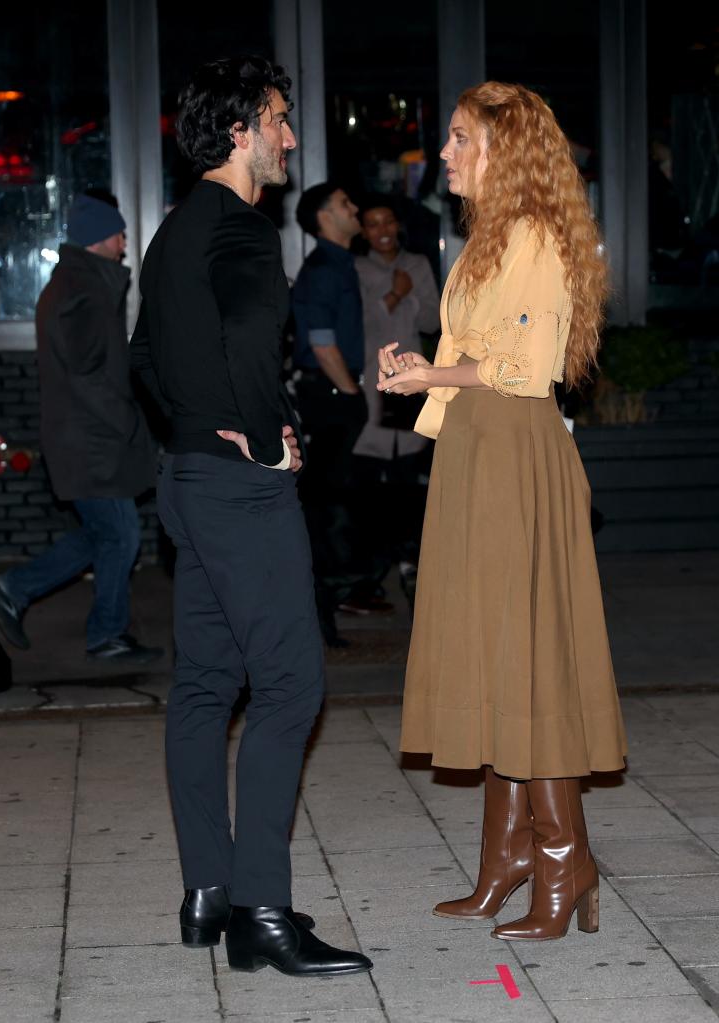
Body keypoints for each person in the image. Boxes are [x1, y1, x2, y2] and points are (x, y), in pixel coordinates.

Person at [129, 56, 371, 978]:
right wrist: (269, 438)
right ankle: (262, 913)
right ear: (237, 130)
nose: (289, 138)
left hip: (188, 479)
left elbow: (145, 357)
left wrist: (200, 428)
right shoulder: (240, 230)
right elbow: (242, 346)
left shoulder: (172, 232)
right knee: (289, 687)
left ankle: (208, 891)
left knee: (202, 687)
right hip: (238, 488)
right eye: (277, 119)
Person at [377, 82, 627, 941]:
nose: (442, 153)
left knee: (526, 657)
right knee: (492, 654)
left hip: (515, 453)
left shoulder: (535, 238)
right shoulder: (485, 237)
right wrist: (421, 366)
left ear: (502, 151)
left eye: (456, 139)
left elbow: (526, 369)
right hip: (476, 453)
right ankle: (506, 857)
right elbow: (477, 351)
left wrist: (427, 376)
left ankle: (564, 862)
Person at [0, 193, 161, 664]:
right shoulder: (83, 288)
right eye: (121, 233)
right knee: (120, 536)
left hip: (88, 438)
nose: (126, 243)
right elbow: (89, 374)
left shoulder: (79, 283)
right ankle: (98, 629)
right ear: (101, 238)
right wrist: (127, 422)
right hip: (93, 441)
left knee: (107, 535)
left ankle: (18, 591)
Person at [292, 183, 389, 641]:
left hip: (338, 394)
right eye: (346, 203)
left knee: (344, 505)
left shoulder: (342, 265)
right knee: (330, 509)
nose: (355, 207)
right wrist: (351, 396)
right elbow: (321, 343)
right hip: (331, 399)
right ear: (324, 218)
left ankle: (340, 597)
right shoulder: (322, 271)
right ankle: (321, 614)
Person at [353, 198, 440, 594]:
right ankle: (371, 565)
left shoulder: (418, 264)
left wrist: (410, 293)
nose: (382, 229)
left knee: (408, 470)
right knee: (370, 476)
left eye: (387, 220)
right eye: (372, 223)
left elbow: (433, 321)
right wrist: (394, 295)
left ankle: (411, 558)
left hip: (411, 379)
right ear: (363, 230)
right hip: (372, 380)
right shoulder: (357, 267)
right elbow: (361, 324)